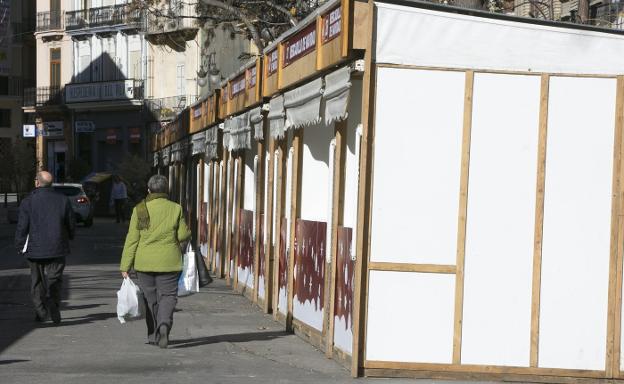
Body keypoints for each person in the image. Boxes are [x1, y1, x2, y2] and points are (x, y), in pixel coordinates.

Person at [120, 174, 191, 348]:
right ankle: (164, 324)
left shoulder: (140, 209)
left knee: (150, 299)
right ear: (166, 190)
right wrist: (188, 232)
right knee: (167, 296)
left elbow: (132, 239)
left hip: (144, 263)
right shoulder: (176, 208)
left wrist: (125, 266)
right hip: (169, 261)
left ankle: (153, 335)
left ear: (149, 190)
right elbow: (182, 235)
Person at [15, 171, 75, 324]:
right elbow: (70, 223)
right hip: (57, 247)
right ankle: (53, 303)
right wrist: (70, 236)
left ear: (37, 182)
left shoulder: (28, 201)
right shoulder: (63, 200)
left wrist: (20, 244)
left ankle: (41, 311)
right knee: (55, 279)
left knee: (37, 281)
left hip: (35, 249)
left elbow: (22, 226)